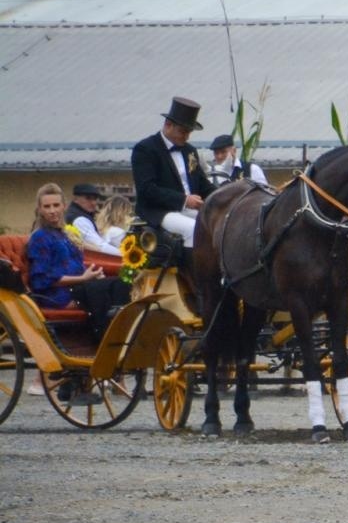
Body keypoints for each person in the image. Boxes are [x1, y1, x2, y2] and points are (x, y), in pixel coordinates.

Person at [25, 183, 129, 341]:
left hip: (79, 286)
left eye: (56, 205)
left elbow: (77, 265)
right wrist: (83, 279)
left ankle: (118, 337)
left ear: (64, 206)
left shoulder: (64, 234)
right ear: (40, 209)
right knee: (117, 286)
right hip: (58, 295)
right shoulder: (40, 237)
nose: (52, 211)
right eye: (47, 206)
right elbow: (42, 280)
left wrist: (93, 275)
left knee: (122, 283)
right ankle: (106, 339)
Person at [131, 97, 214, 248]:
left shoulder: (190, 151)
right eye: (183, 132)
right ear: (168, 125)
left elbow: (203, 185)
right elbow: (147, 189)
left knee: (217, 224)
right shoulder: (145, 149)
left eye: (189, 132)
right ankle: (191, 270)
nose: (187, 137)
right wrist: (184, 200)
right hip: (159, 211)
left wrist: (226, 194)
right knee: (193, 229)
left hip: (188, 210)